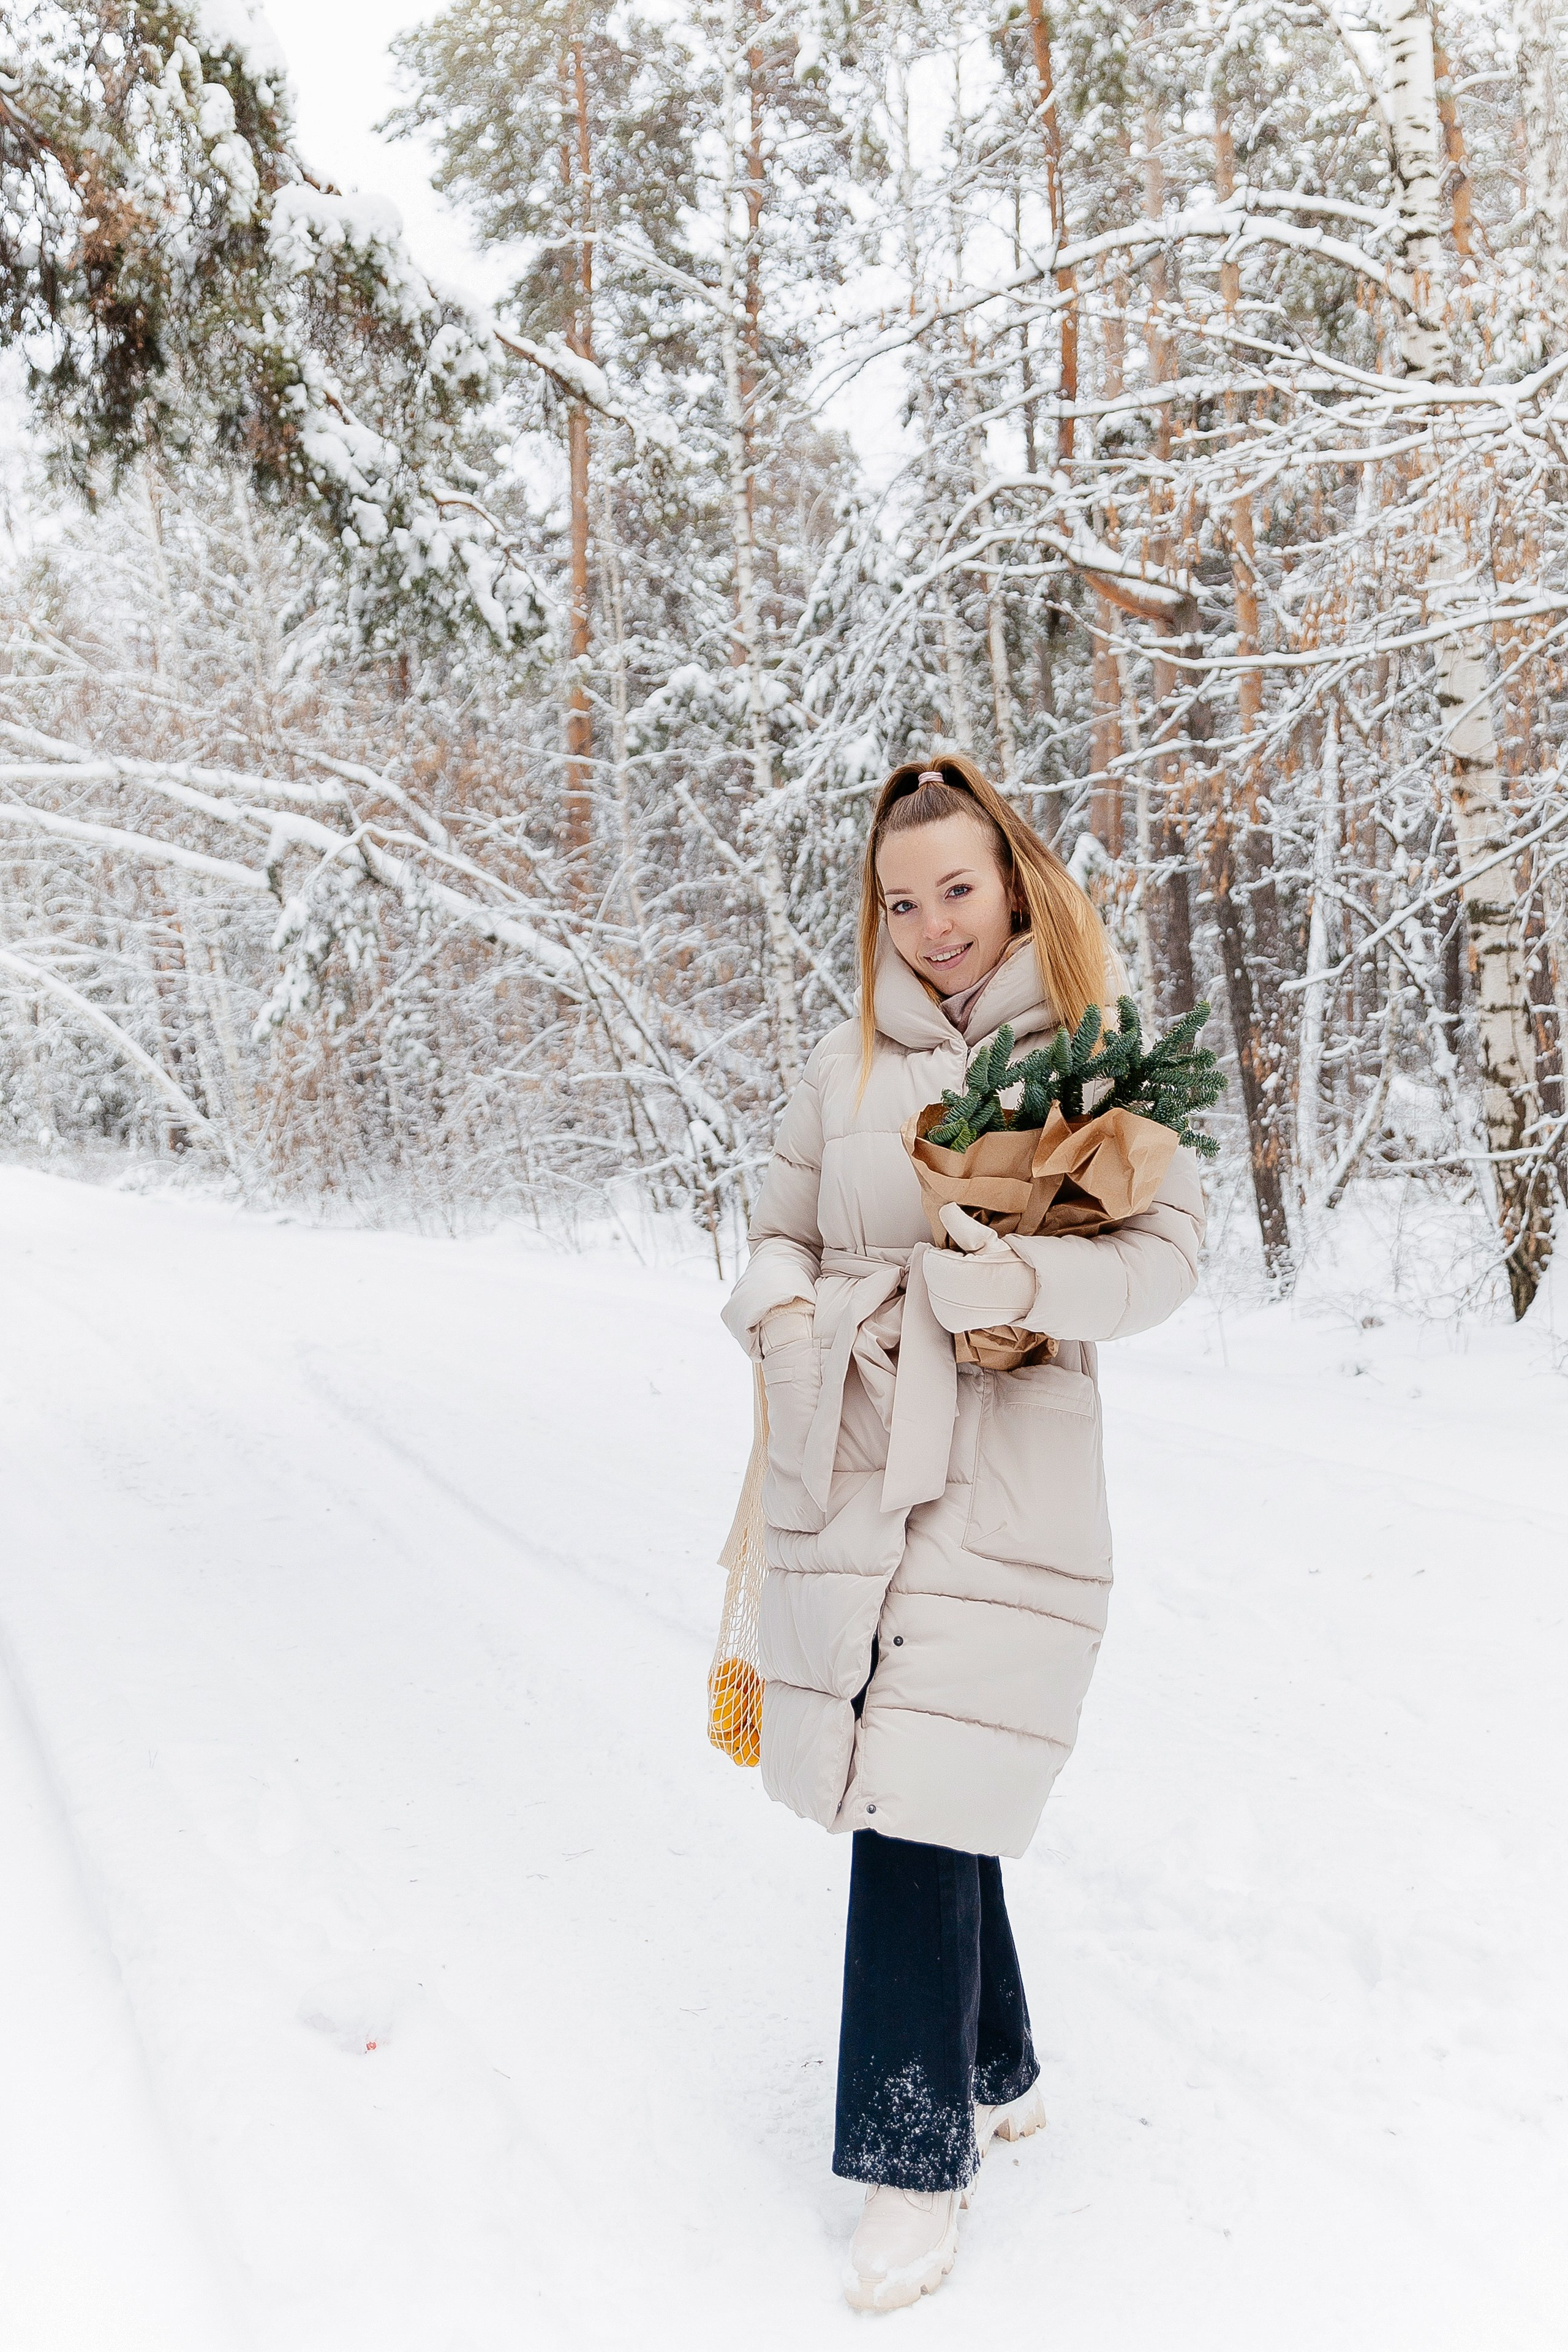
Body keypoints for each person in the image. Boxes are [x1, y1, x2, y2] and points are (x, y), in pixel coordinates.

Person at [721, 755, 1205, 2312]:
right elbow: (777, 1226)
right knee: (906, 1759)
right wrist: (787, 1318)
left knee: (917, 1781)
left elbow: (1168, 1255)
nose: (931, 924)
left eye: (956, 889)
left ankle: (909, 2157)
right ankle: (993, 2061)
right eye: (898, 899)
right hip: (852, 1448)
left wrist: (1023, 1291)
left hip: (1002, 1461)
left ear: (1010, 880)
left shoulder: (1088, 1051)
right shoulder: (840, 1060)